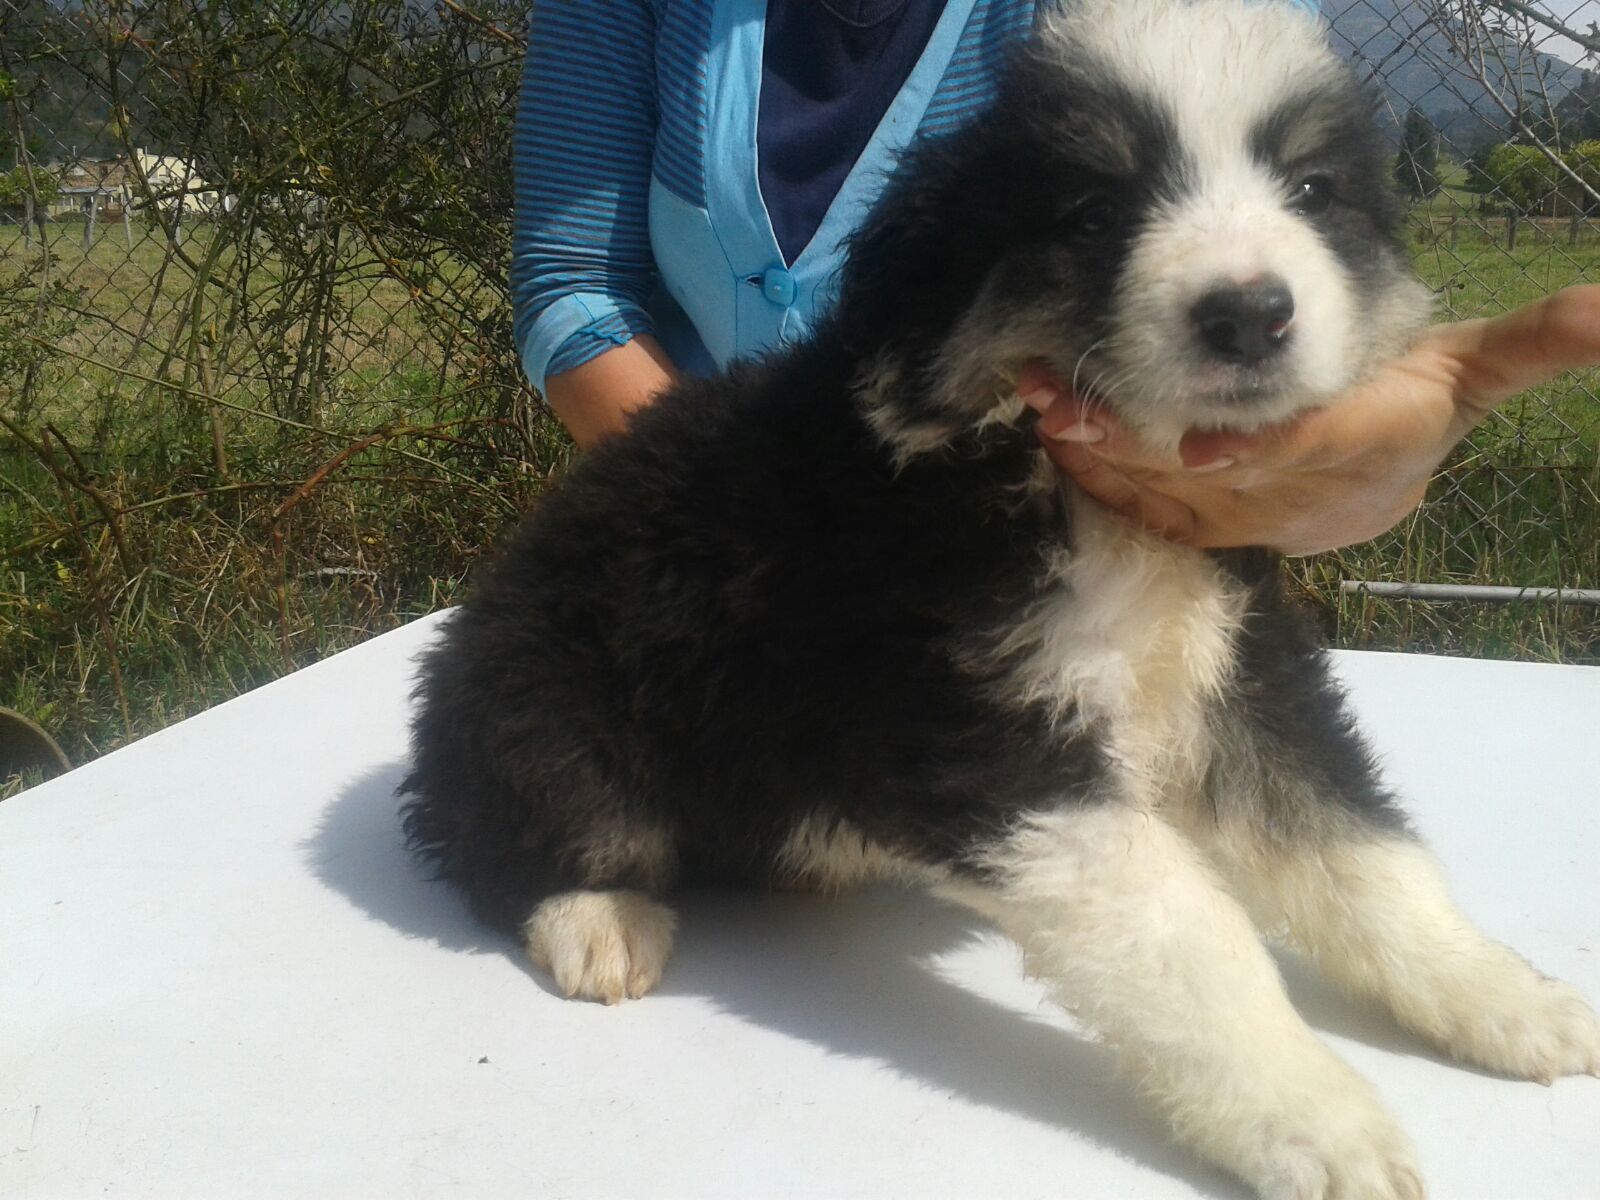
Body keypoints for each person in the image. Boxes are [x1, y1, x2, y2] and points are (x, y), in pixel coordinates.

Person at [512, 0, 1600, 556]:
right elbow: (573, 284)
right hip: (736, 548)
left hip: (1070, 552)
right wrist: (738, 532)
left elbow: (1265, 189)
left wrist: (1328, 458)